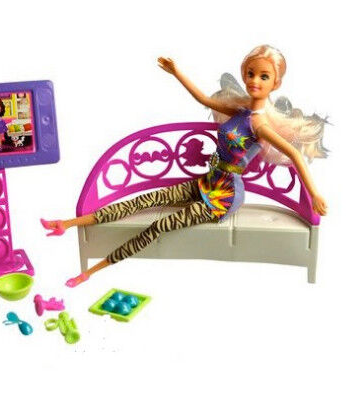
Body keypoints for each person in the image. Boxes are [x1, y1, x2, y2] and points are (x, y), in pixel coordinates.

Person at [42, 45, 328, 287]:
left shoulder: (260, 125)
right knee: (147, 200)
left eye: (264, 77)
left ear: (275, 83)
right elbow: (204, 99)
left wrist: (314, 194)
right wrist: (177, 72)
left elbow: (294, 153)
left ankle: (89, 273)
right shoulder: (241, 110)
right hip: (208, 180)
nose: (255, 81)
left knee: (159, 225)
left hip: (224, 197)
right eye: (251, 73)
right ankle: (66, 224)